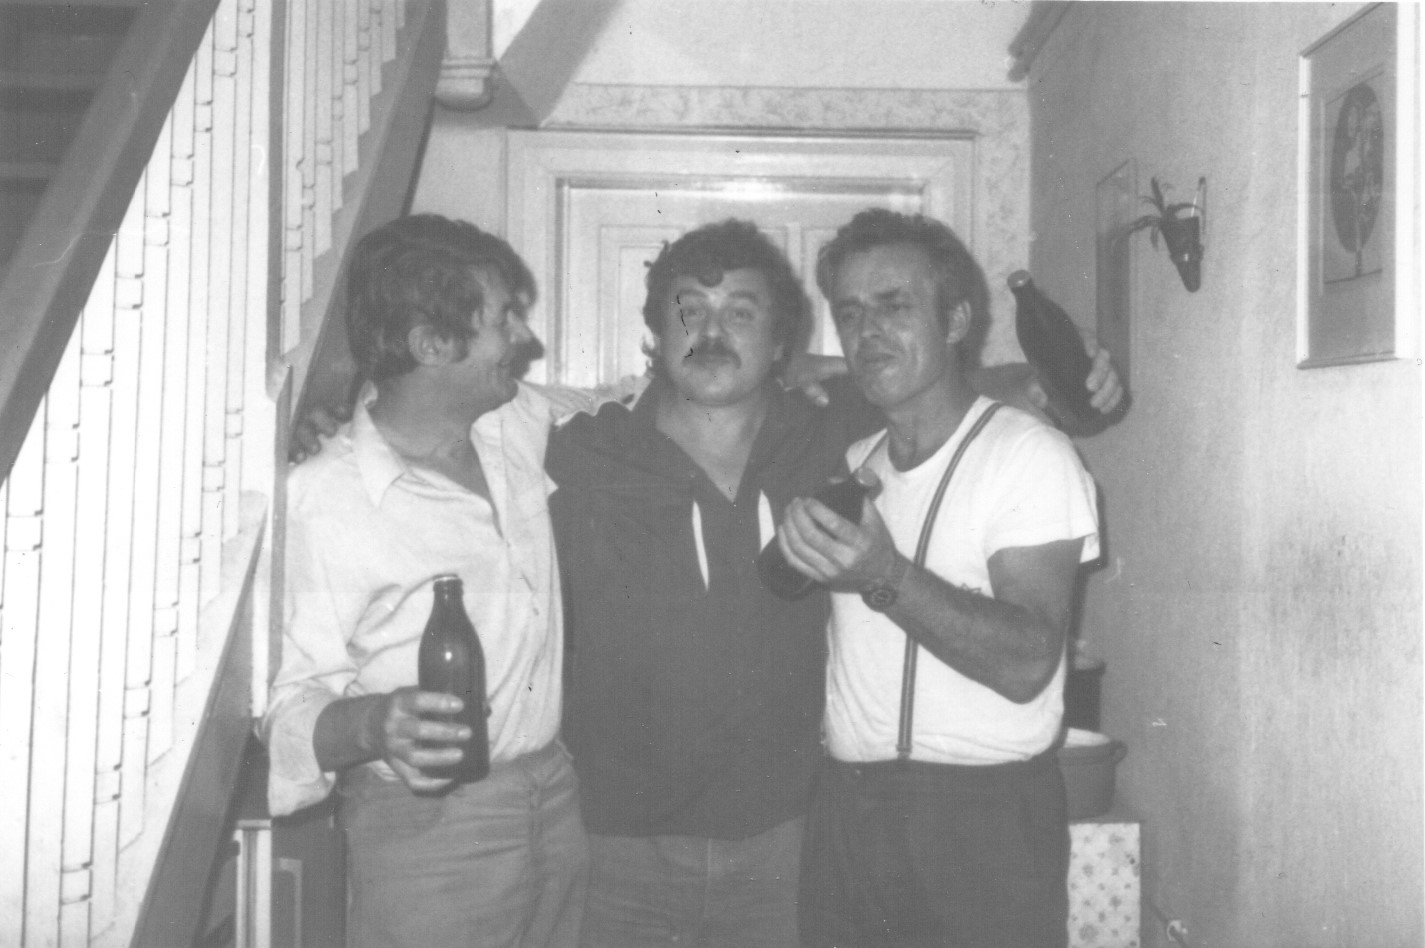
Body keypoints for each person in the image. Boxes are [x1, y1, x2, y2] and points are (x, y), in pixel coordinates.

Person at [544, 219, 1119, 948]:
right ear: (655, 330)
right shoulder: (585, 449)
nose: (711, 333)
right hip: (664, 848)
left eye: (740, 312)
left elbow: (937, 392)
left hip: (825, 840)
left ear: (780, 342)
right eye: (689, 311)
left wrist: (1054, 380)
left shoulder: (852, 445)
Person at [262, 215, 598, 948]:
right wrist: (372, 724)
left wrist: (797, 369)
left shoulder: (515, 421)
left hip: (554, 796)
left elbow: (628, 399)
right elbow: (284, 702)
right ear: (430, 344)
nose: (524, 338)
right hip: (427, 831)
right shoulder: (325, 496)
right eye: (503, 318)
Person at [776, 208, 1101, 948]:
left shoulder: (1028, 455)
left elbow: (1026, 662)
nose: (867, 332)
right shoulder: (855, 463)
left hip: (981, 821)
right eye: (850, 313)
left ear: (956, 320)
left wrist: (884, 574)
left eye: (894, 306)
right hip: (848, 815)